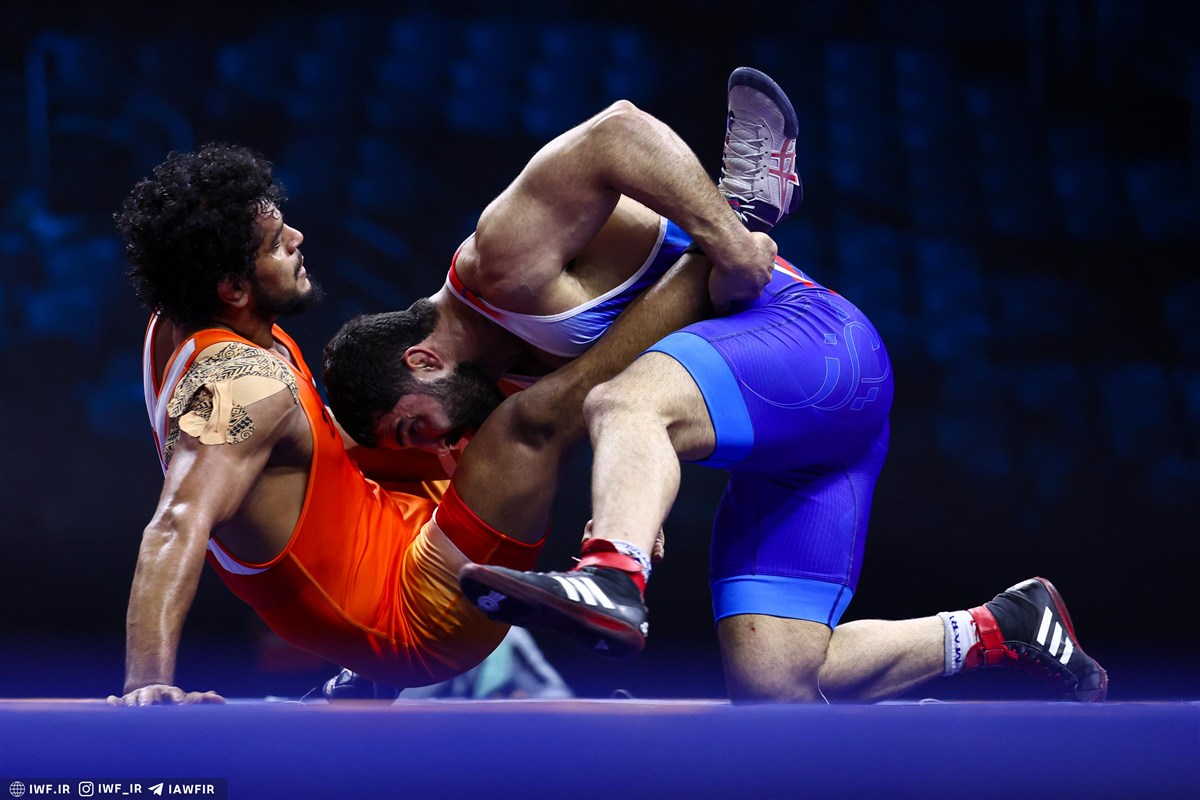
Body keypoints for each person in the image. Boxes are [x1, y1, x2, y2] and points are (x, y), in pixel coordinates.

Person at [108, 82, 775, 705]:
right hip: (419, 617)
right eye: (276, 245)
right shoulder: (234, 385)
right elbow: (177, 522)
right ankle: (730, 238)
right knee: (527, 423)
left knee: (452, 387)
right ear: (232, 288)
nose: (297, 238)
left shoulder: (180, 314)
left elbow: (310, 457)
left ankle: (625, 504)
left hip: (390, 537)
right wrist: (148, 685)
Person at [455, 73, 1110, 703]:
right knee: (776, 683)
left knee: (622, 401)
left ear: (425, 360)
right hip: (809, 437)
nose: (443, 445)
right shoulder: (531, 368)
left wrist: (619, 538)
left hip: (820, 345)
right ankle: (1002, 626)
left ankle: (611, 575)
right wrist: (627, 505)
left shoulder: (538, 255)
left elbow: (620, 135)